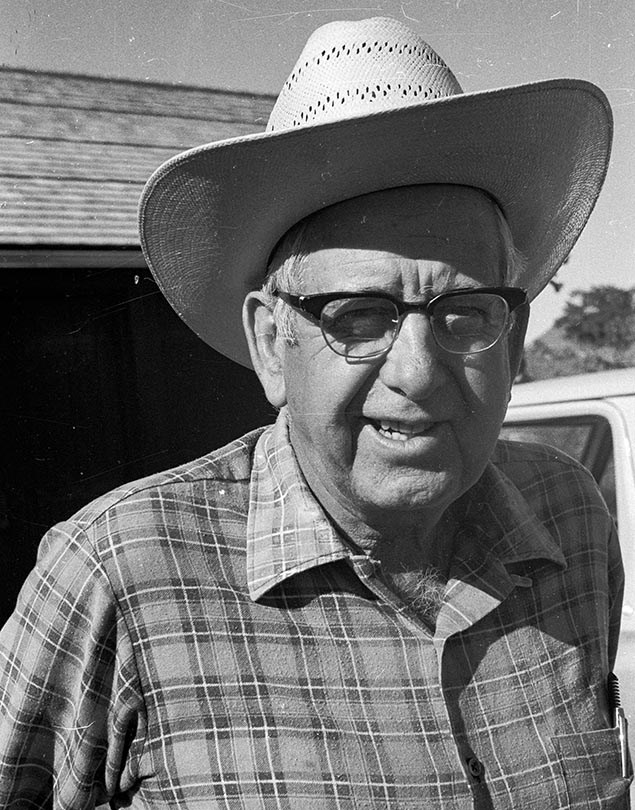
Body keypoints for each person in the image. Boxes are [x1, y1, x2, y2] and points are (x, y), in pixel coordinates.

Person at [0, 15, 630, 810]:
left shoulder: (570, 515)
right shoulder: (119, 573)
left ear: (513, 341)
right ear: (271, 342)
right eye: (357, 315)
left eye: (464, 313)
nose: (418, 373)